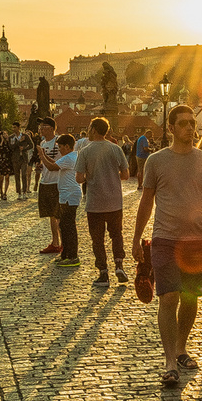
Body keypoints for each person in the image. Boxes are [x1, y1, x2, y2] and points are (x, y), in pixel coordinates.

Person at [133, 104, 202, 388]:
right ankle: (170, 360)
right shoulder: (157, 161)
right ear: (171, 128)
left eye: (191, 123)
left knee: (190, 298)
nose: (190, 127)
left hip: (197, 239)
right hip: (165, 237)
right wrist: (136, 238)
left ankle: (182, 347)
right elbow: (146, 201)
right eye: (183, 123)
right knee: (169, 297)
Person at [75, 116, 131, 286]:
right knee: (116, 235)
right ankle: (119, 265)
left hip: (95, 202)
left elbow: (79, 178)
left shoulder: (85, 151)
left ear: (93, 130)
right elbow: (126, 175)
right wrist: (112, 176)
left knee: (97, 239)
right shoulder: (116, 149)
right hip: (114, 201)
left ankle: (103, 272)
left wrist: (91, 176)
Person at [41, 133, 82, 267]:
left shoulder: (70, 157)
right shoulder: (70, 157)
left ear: (67, 146)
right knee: (63, 225)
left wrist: (41, 156)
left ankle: (72, 256)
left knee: (68, 227)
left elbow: (52, 167)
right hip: (66, 196)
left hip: (70, 196)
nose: (59, 150)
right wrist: (44, 155)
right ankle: (65, 254)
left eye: (60, 147)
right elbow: (55, 162)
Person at [35, 116, 63, 254]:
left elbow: (58, 164)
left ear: (52, 128)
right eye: (40, 127)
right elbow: (46, 163)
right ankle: (55, 242)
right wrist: (40, 165)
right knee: (51, 215)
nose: (40, 129)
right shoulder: (43, 142)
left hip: (56, 181)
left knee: (57, 215)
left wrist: (43, 157)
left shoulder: (59, 143)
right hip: (45, 181)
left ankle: (60, 243)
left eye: (43, 127)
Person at [14, 128, 33, 198]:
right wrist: (19, 141)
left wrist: (24, 148)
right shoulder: (13, 137)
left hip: (24, 158)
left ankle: (24, 192)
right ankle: (19, 192)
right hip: (16, 159)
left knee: (24, 175)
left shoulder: (26, 136)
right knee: (17, 176)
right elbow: (12, 147)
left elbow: (31, 145)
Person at [0, 131, 16, 200]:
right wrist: (1, 140)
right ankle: (1, 192)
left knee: (7, 177)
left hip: (8, 161)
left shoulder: (9, 142)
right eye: (4, 134)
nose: (6, 135)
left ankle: (5, 193)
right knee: (1, 178)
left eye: (6, 133)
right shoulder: (0, 143)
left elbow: (12, 150)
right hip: (2, 161)